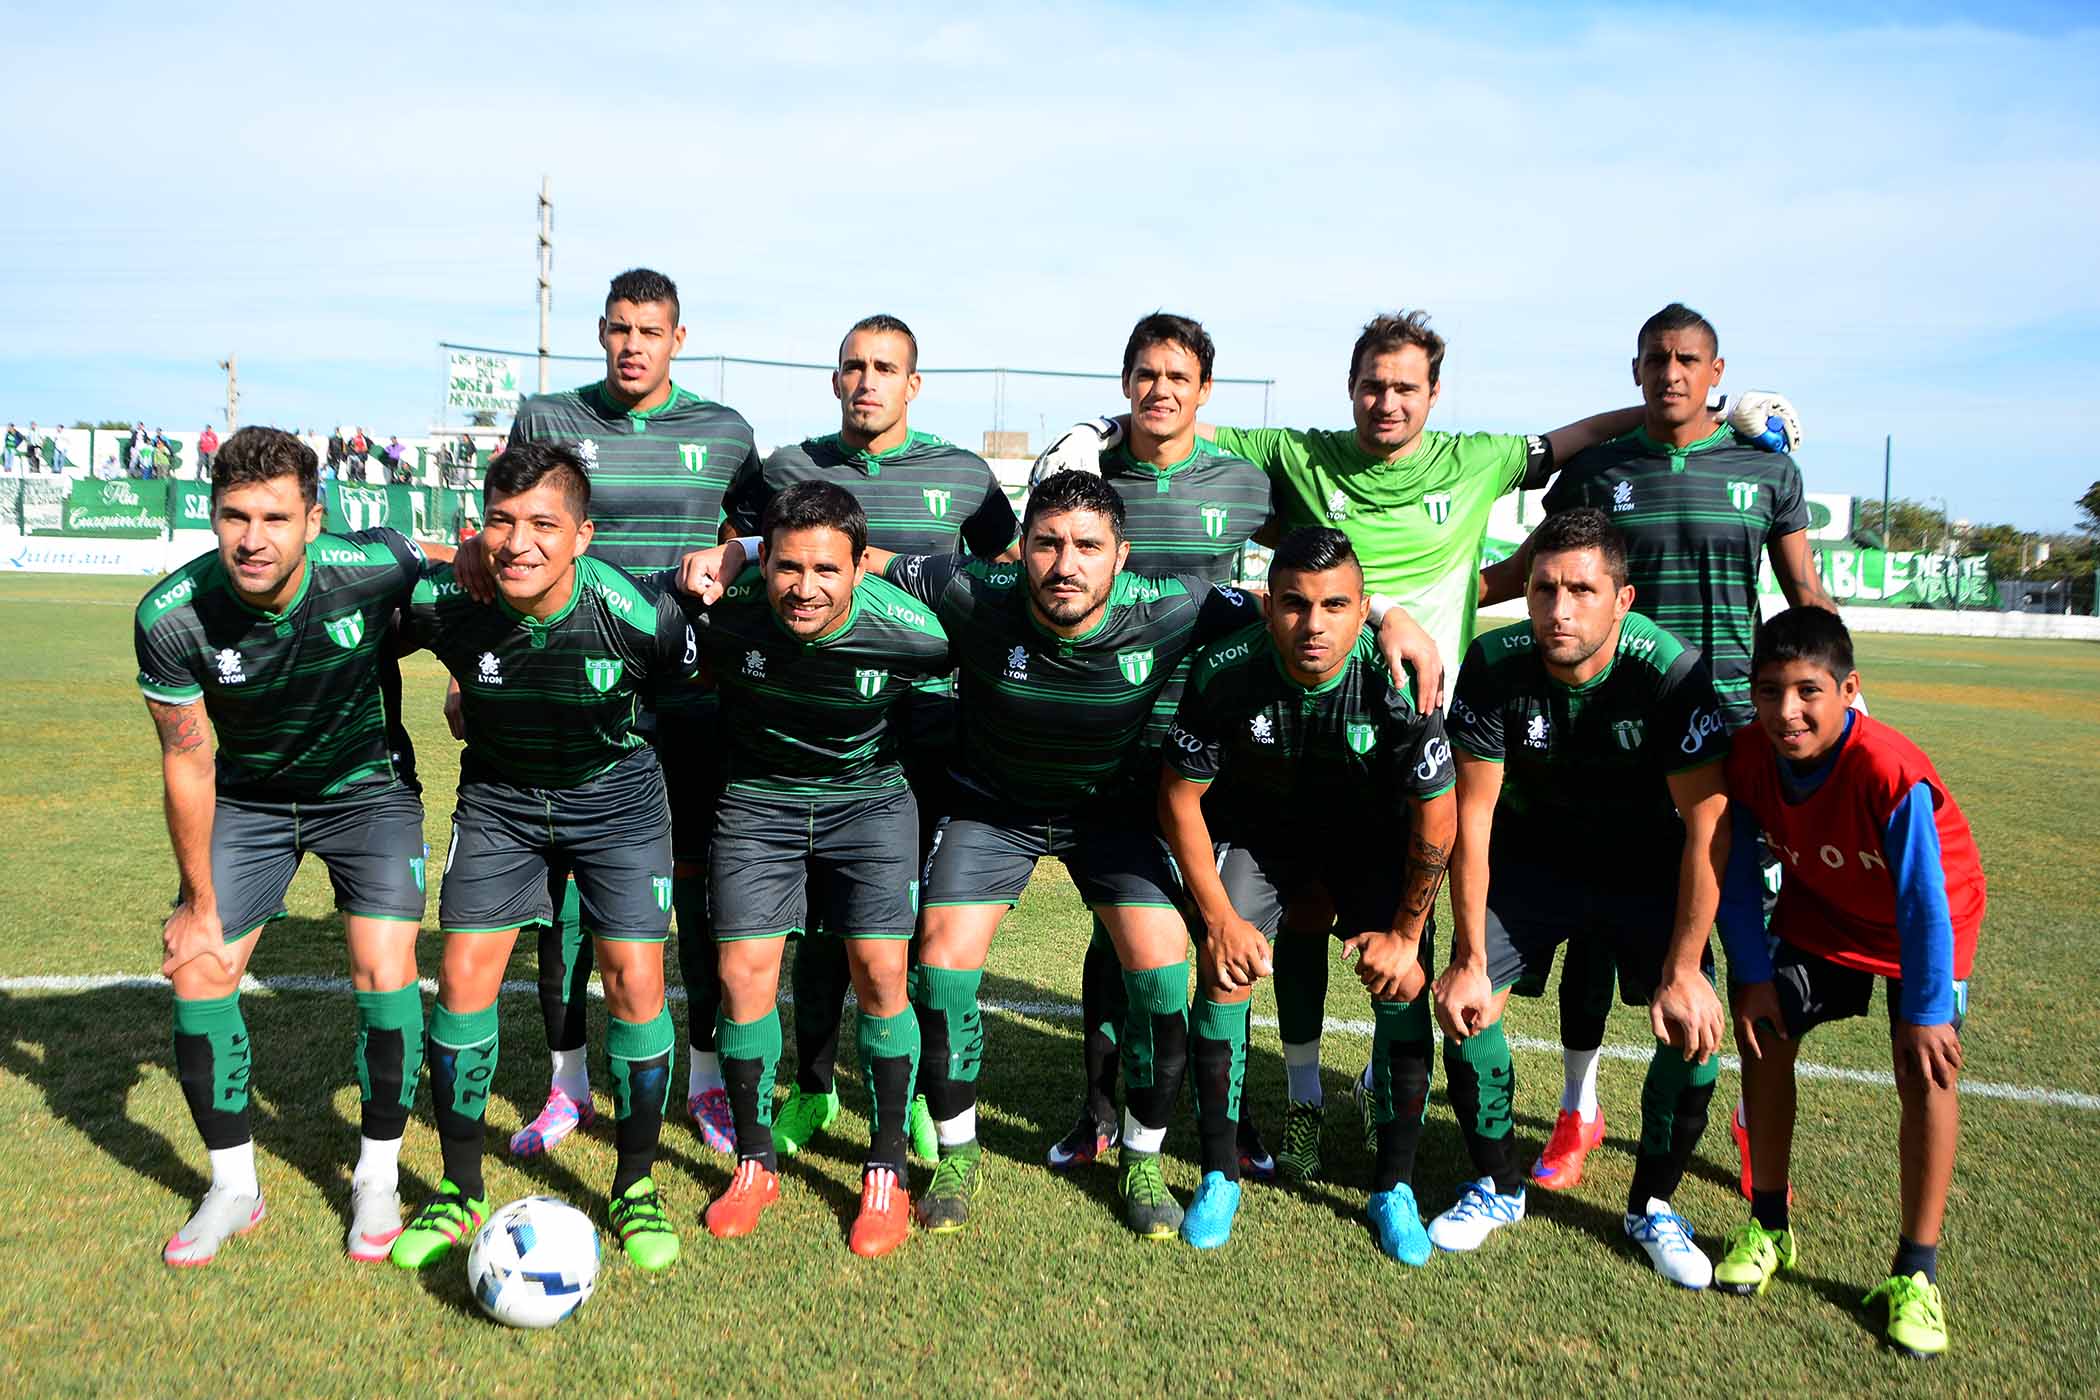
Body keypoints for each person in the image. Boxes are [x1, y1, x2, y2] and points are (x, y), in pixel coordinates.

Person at [687, 472, 1429, 1240]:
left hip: (1111, 813)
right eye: (1047, 543)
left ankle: (1141, 1158)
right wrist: (739, 551)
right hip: (992, 809)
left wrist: (1390, 615)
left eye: (1086, 546)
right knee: (940, 965)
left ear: (1121, 557)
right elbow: (858, 557)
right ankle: (957, 1153)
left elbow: (1294, 597)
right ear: (1021, 550)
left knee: (1163, 968)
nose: (1064, 563)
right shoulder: (973, 589)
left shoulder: (1175, 603)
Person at [1479, 303, 1833, 1199]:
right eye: (1654, 359)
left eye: (1686, 359)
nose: (1670, 373)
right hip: (1610, 728)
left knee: (1741, 936)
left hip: (1734, 735)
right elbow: (1532, 571)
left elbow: (1804, 596)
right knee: (1596, 933)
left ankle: (1749, 1121)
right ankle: (1578, 1109)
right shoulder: (1601, 470)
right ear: (1634, 370)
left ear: (1716, 372)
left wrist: (1839, 700)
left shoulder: (1764, 470)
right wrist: (1402, 599)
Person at [452, 267, 760, 1162]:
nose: (634, 345)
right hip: (560, 684)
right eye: (619, 329)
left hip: (687, 691)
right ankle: (566, 1084)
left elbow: (758, 534)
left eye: (650, 331)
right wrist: (476, 666)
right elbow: (505, 528)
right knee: (560, 902)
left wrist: (734, 553)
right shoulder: (546, 416)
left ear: (679, 339)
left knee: (693, 896)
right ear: (600, 332)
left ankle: (704, 1079)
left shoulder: (727, 431)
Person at [133, 426, 442, 1266]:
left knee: (386, 969)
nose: (253, 538)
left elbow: (458, 563)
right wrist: (197, 904)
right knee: (202, 965)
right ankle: (234, 1187)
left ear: (315, 519)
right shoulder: (171, 615)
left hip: (366, 792)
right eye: (235, 516)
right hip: (251, 800)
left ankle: (376, 1174)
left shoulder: (370, 565)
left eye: (275, 517)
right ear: (212, 513)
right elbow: (188, 765)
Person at [390, 442, 693, 1274]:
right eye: (500, 521)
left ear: (583, 536)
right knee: (460, 979)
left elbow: (689, 697)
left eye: (542, 525)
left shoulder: (636, 615)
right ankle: (458, 1192)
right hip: (500, 801)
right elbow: (374, 566)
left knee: (634, 979)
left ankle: (635, 1185)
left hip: (618, 804)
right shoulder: (448, 603)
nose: (519, 542)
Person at [720, 313, 1015, 1167]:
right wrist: (736, 554)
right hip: (811, 721)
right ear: (835, 377)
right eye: (853, 366)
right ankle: (816, 1084)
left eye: (886, 367)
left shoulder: (962, 473)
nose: (867, 381)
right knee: (811, 925)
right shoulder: (789, 467)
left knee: (897, 929)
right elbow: (740, 546)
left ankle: (918, 1095)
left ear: (913, 384)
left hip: (924, 729)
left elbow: (992, 576)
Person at [1027, 312, 1306, 1184]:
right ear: (1124, 384)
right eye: (1146, 374)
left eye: (1178, 377)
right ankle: (1100, 1113)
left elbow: (1311, 568)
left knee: (1230, 930)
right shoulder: (1089, 478)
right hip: (1117, 740)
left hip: (1220, 745)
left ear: (1204, 392)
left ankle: (1235, 1111)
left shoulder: (1247, 484)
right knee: (1118, 936)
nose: (1161, 390)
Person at [1434, 508, 1730, 1289]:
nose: (1559, 610)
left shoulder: (1668, 671)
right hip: (1534, 864)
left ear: (1621, 600)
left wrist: (1689, 966)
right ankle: (1497, 1186)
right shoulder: (1495, 661)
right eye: (1542, 589)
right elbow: (1475, 815)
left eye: (1581, 591)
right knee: (1466, 1008)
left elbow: (1707, 826)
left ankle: (1653, 1206)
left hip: (1646, 867)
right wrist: (1468, 958)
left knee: (1693, 1028)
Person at [1158, 526, 1455, 1255]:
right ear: (1268, 608)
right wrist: (1219, 917)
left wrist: (1408, 936)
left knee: (1406, 983)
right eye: (1294, 604)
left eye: (1334, 605)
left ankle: (1395, 1187)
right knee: (1221, 972)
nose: (1313, 624)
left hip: (1372, 843)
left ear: (1364, 614)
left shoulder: (1397, 678)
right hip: (1264, 839)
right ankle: (1220, 1175)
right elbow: (1178, 798)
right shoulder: (1226, 670)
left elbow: (1437, 815)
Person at [686, 481, 951, 1258]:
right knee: (742, 978)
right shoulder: (725, 616)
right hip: (758, 803)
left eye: (827, 570)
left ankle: (887, 1168)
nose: (806, 587)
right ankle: (754, 1162)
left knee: (879, 974)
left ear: (861, 566)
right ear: (762, 561)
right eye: (788, 567)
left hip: (868, 804)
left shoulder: (915, 632)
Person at [1712, 607, 1983, 1358]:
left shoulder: (1888, 768)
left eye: (1807, 691)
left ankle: (1915, 1274)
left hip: (1926, 929)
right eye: (1769, 692)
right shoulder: (1748, 758)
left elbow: (1924, 899)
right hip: (1825, 918)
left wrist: (1928, 1009)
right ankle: (1768, 1224)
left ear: (1848, 690)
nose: (1786, 712)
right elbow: (1734, 879)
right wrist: (1753, 975)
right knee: (1765, 1034)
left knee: (1925, 1070)